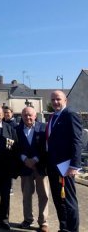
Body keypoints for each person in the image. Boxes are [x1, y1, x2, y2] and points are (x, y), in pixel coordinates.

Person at [47, 90, 82, 232]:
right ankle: (64, 228)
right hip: (53, 166)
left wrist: (74, 165)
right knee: (58, 200)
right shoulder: (53, 116)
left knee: (69, 202)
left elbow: (76, 141)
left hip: (66, 167)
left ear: (65, 100)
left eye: (58, 99)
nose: (55, 102)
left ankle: (73, 230)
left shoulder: (70, 115)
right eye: (53, 100)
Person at [16, 107, 49, 232]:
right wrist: (25, 159)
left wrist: (35, 159)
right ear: (22, 116)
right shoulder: (17, 129)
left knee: (43, 195)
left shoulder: (43, 128)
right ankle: (28, 219)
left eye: (30, 115)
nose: (27, 117)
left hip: (40, 167)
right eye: (25, 115)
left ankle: (43, 222)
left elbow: (46, 147)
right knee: (26, 195)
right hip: (25, 168)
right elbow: (16, 147)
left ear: (35, 116)